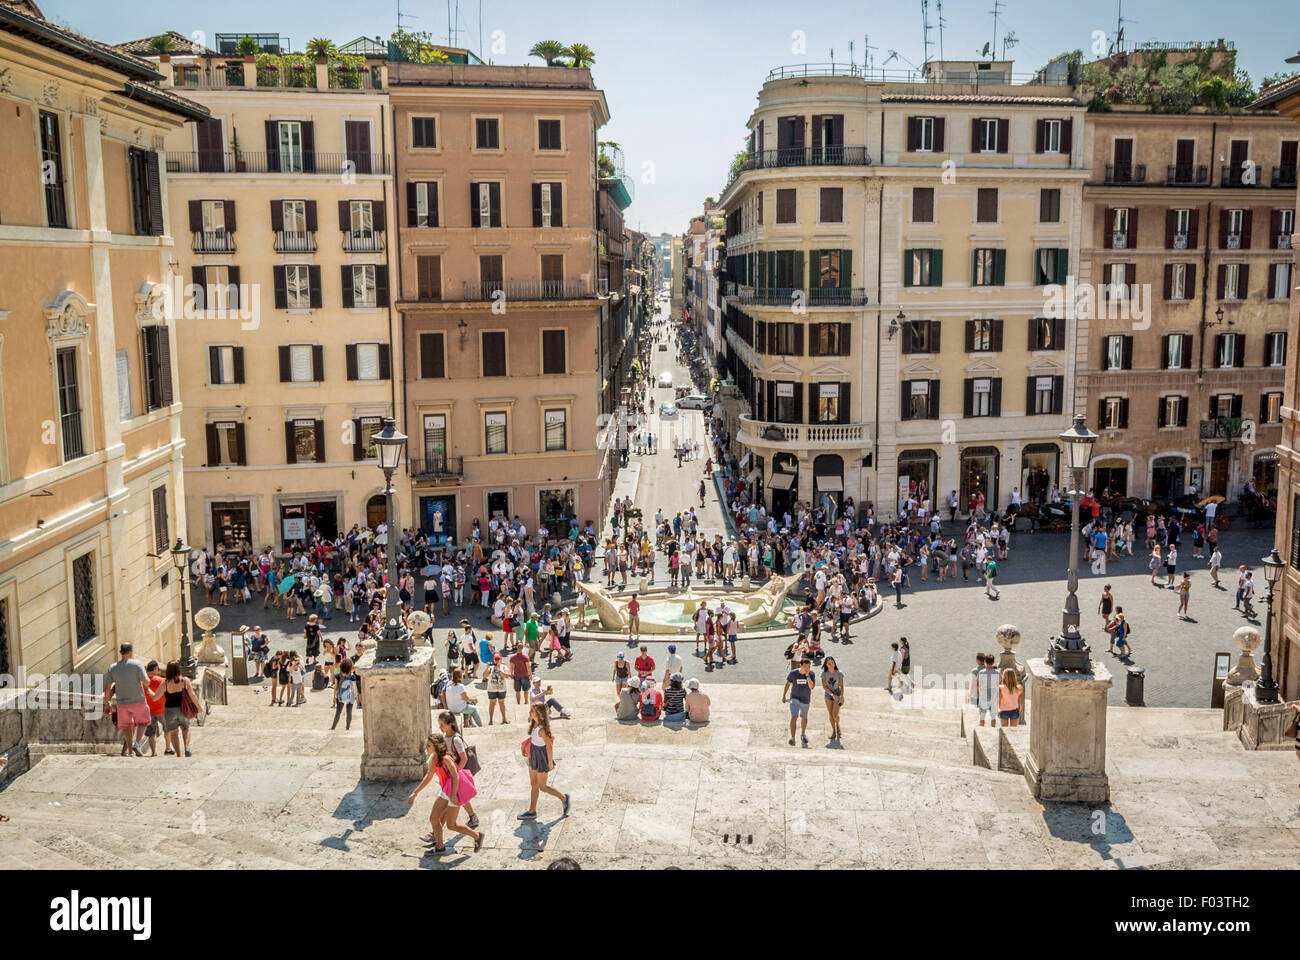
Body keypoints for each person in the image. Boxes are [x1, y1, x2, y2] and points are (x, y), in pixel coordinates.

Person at [407, 733, 483, 853]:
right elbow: (428, 776)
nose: (426, 748)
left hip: (454, 791)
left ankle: (477, 836)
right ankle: (440, 846)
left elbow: (456, 776)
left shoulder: (446, 759)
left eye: (428, 745)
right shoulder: (435, 759)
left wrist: (453, 795)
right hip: (445, 790)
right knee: (433, 818)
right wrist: (415, 793)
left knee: (452, 825)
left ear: (436, 746)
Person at [519, 703, 570, 821]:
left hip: (541, 758)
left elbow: (549, 746)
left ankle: (564, 798)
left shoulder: (542, 730)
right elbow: (533, 738)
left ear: (538, 713)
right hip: (533, 755)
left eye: (531, 711)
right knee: (533, 784)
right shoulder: (534, 724)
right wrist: (524, 746)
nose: (529, 712)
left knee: (542, 787)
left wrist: (550, 763)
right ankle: (532, 811)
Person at [104, 643, 150, 757]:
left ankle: (130, 752)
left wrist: (107, 702)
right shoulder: (137, 664)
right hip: (138, 700)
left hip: (122, 703)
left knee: (126, 727)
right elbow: (146, 681)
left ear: (120, 652)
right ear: (131, 651)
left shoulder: (113, 667)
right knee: (143, 722)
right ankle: (137, 743)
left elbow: (108, 687)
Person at [437, 711, 481, 829]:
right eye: (439, 724)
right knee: (460, 796)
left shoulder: (455, 739)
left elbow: (464, 758)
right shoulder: (445, 737)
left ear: (450, 724)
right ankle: (473, 817)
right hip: (450, 774)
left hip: (455, 775)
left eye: (442, 725)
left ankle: (436, 830)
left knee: (450, 799)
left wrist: (455, 775)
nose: (440, 727)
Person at [158, 660, 198, 757]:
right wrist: (198, 707)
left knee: (173, 733)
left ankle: (179, 755)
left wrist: (148, 690)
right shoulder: (184, 681)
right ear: (178, 669)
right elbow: (192, 695)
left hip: (169, 711)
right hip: (183, 710)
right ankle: (187, 748)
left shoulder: (165, 683)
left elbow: (156, 697)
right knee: (186, 728)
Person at [783, 654, 816, 747]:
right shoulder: (793, 673)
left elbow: (812, 687)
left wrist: (808, 676)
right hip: (795, 698)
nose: (807, 669)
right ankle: (792, 738)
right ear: (800, 665)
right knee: (794, 716)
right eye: (806, 667)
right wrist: (784, 695)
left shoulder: (811, 674)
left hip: (805, 699)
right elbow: (788, 683)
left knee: (804, 718)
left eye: (809, 667)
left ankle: (803, 733)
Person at [142, 661, 166, 756]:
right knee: (168, 730)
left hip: (148, 710)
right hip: (162, 709)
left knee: (152, 733)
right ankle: (168, 747)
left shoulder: (143, 681)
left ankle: (153, 752)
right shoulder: (161, 680)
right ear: (155, 669)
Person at [331, 658, 361, 730]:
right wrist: (357, 699)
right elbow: (355, 688)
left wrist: (334, 697)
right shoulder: (352, 676)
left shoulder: (338, 675)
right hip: (350, 697)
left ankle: (333, 727)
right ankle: (347, 728)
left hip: (340, 696)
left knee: (338, 713)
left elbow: (335, 687)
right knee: (349, 713)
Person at [822, 656, 845, 741]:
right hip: (829, 694)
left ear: (834, 663)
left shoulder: (839, 673)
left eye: (832, 663)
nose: (831, 665)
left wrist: (841, 697)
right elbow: (824, 687)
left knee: (835, 715)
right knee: (830, 714)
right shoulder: (824, 674)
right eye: (829, 663)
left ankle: (837, 725)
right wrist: (832, 695)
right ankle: (834, 731)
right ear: (826, 665)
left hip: (838, 694)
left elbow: (842, 686)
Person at [484, 654, 509, 724]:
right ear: (493, 660)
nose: (497, 661)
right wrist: (487, 667)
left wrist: (499, 670)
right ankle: (491, 720)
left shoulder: (504, 667)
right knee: (492, 703)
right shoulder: (490, 668)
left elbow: (507, 676)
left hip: (501, 688)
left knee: (501, 703)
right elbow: (484, 676)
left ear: (501, 659)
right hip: (492, 689)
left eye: (498, 659)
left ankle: (504, 718)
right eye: (496, 659)